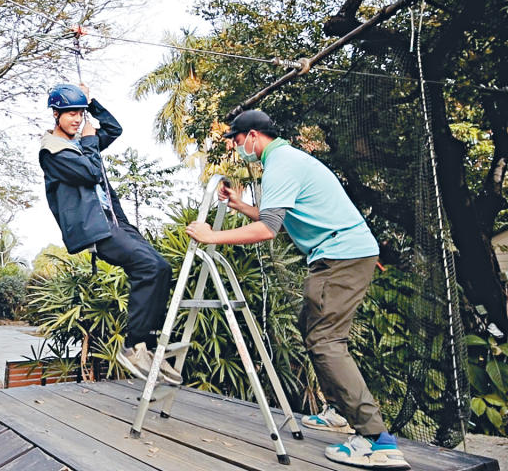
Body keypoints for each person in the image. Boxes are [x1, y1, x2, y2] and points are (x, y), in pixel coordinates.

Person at [185, 109, 409, 470]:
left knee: (326, 342)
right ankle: (340, 411)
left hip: (340, 256)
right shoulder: (287, 159)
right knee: (314, 330)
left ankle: (376, 440)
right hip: (341, 253)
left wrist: (213, 236)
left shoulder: (282, 163)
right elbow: (275, 215)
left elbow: (268, 230)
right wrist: (240, 205)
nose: (237, 147)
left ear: (254, 136)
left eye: (238, 141)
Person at [39, 83, 180, 384]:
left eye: (80, 113)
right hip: (97, 229)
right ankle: (132, 345)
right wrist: (89, 142)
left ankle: (146, 346)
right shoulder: (52, 152)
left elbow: (114, 129)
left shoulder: (79, 143)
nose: (77, 119)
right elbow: (90, 172)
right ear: (56, 114)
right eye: (70, 114)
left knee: (162, 268)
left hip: (115, 221)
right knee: (146, 267)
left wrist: (93, 103)